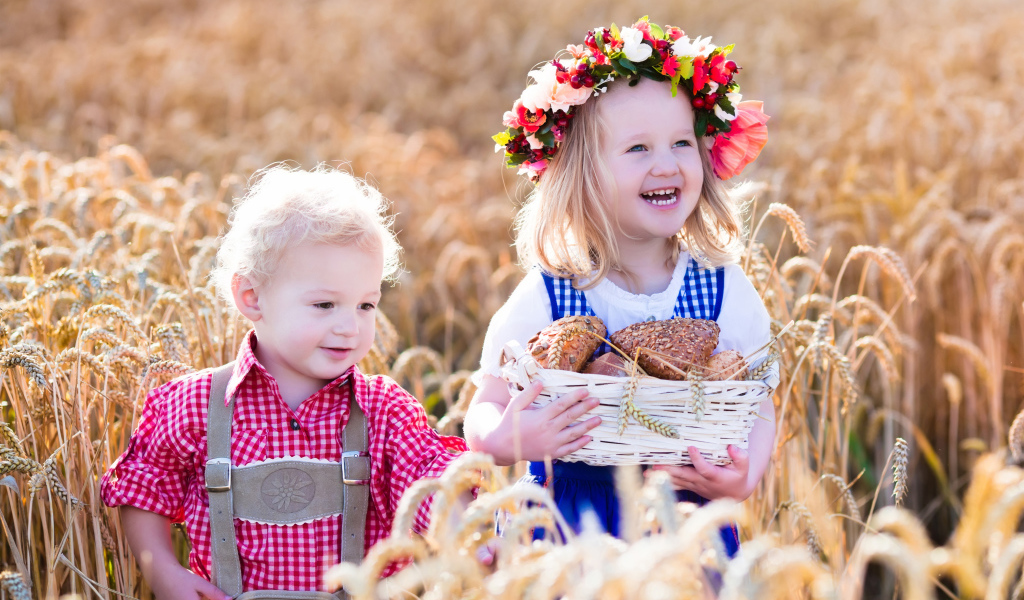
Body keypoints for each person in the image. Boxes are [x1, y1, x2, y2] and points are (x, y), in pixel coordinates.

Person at [464, 17, 778, 553]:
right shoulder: (554, 293)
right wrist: (503, 439)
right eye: (637, 149)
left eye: (681, 143)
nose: (666, 165)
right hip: (568, 518)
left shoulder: (721, 285)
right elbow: (487, 400)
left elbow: (758, 396)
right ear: (581, 174)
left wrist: (745, 473)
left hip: (684, 515)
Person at [101, 166, 467, 599]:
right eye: (325, 304)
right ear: (252, 297)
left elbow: (433, 486)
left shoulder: (385, 411)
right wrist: (163, 571)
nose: (351, 327)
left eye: (366, 305)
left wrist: (472, 537)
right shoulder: (194, 404)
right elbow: (143, 488)